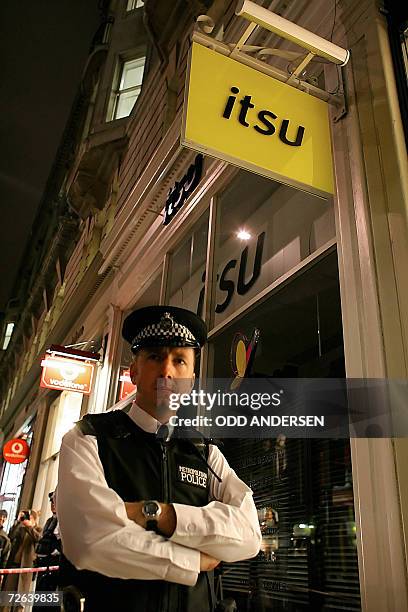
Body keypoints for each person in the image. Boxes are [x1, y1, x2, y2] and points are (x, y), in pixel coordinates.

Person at [57, 306, 262, 611]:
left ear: (190, 380)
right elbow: (90, 540)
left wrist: (156, 514)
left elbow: (248, 534)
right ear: (134, 372)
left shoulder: (205, 452)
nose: (167, 371)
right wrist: (192, 560)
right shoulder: (90, 438)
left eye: (179, 360)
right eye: (155, 357)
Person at [1, 510, 42, 612]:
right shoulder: (21, 529)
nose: (27, 520)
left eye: (29, 518)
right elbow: (11, 537)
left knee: (19, 603)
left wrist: (29, 527)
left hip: (25, 571)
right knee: (6, 600)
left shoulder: (38, 529)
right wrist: (19, 521)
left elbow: (38, 539)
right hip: (14, 568)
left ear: (34, 520)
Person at [32, 492, 61, 610]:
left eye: (55, 501)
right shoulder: (49, 521)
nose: (53, 504)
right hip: (43, 565)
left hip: (54, 567)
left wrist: (55, 551)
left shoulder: (63, 520)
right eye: (52, 502)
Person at [0, 510, 11, 581]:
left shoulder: (4, 538)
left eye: (3, 518)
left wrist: (2, 572)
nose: (1, 519)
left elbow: (5, 557)